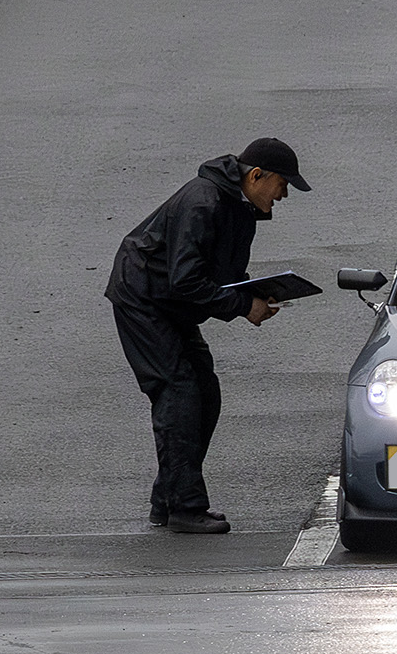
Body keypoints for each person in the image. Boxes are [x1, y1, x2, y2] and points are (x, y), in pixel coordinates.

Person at [105, 137, 310, 534]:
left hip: (169, 301)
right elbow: (186, 280)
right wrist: (242, 306)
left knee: (205, 391)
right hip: (144, 298)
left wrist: (254, 292)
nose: (284, 195)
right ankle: (184, 506)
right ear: (256, 175)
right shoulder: (204, 202)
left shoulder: (241, 209)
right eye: (282, 185)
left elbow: (223, 274)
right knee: (179, 391)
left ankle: (168, 498)